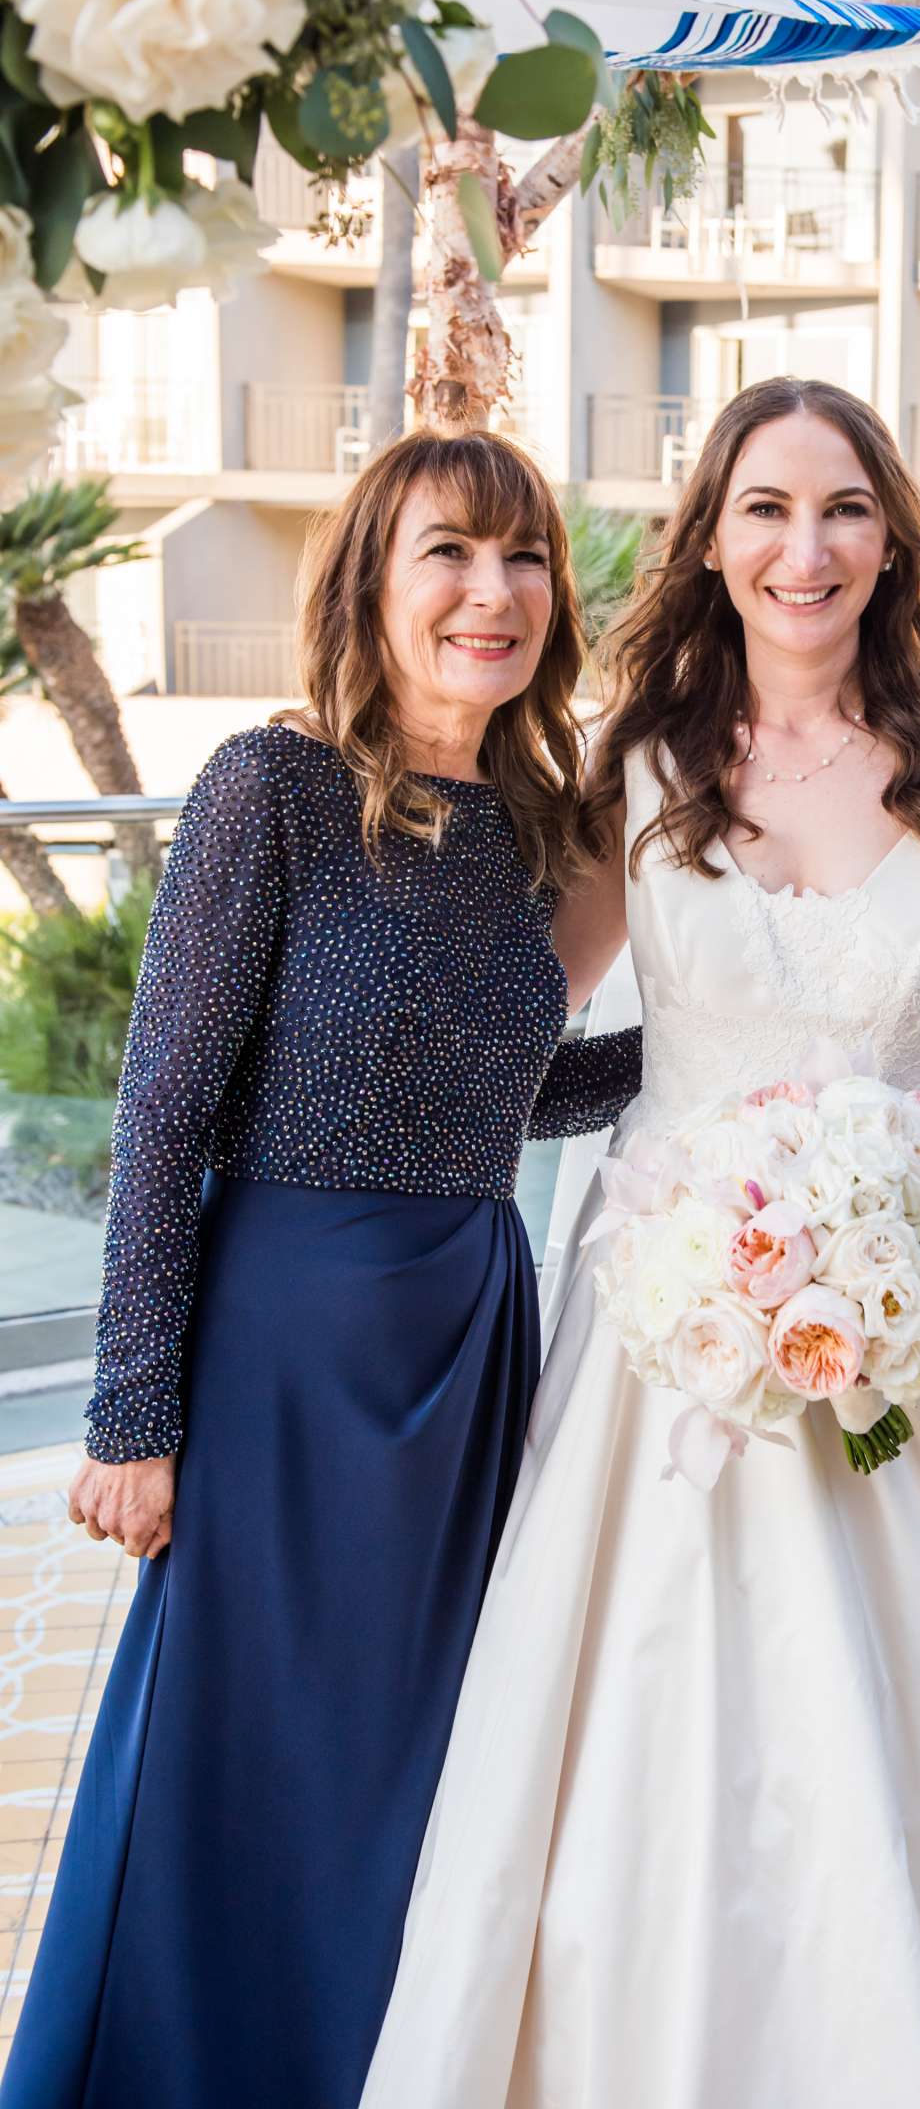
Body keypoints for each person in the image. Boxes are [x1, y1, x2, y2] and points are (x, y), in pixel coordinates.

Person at [357, 377, 920, 2108]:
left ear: (891, 537)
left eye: (843, 510)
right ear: (711, 542)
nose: (805, 550)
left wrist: (881, 1195)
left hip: (897, 1314)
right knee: (647, 1737)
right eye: (765, 511)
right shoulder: (634, 762)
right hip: (663, 1336)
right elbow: (534, 1012)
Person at [2, 429, 642, 2109]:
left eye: (522, 560)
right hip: (282, 1350)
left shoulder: (537, 827)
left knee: (411, 1764)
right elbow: (167, 1101)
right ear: (369, 577)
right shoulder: (268, 788)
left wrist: (709, 1073)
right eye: (448, 552)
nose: (491, 593)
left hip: (463, 1342)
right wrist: (130, 1414)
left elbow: (496, 1085)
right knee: (240, 1753)